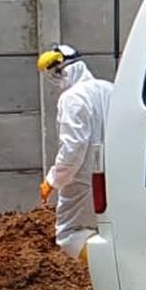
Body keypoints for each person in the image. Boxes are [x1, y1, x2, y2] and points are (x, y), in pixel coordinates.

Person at [36, 44, 113, 262]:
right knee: (110, 231)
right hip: (117, 176)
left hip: (84, 181)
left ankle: (106, 268)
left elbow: (73, 147)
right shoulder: (110, 89)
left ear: (63, 71)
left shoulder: (72, 98)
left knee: (69, 234)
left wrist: (53, 180)